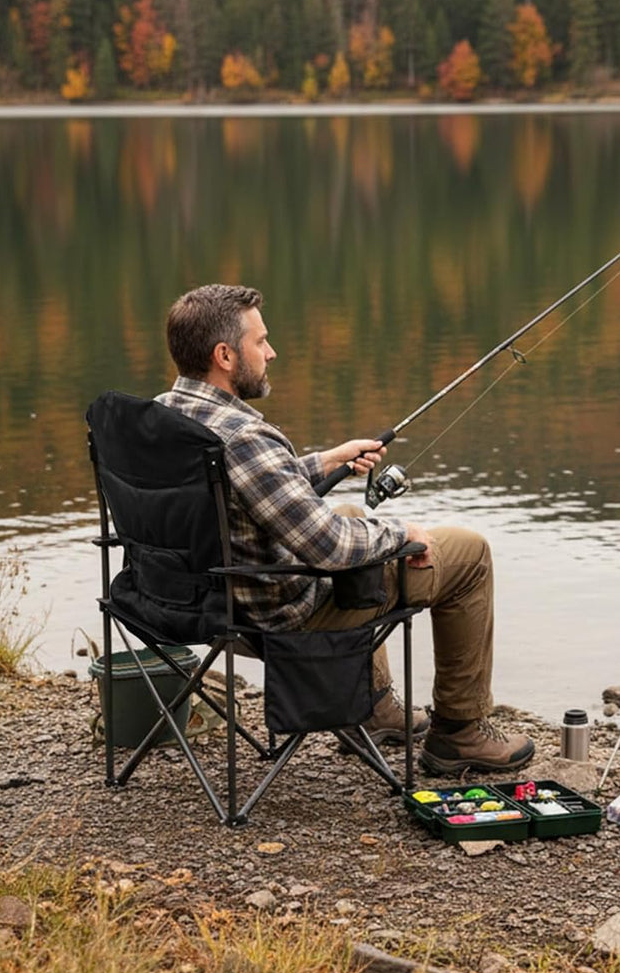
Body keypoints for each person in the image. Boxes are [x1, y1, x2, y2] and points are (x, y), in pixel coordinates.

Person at [156, 283, 534, 773]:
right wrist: (406, 535)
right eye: (260, 342)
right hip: (276, 616)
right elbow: (329, 549)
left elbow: (240, 490)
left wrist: (324, 461)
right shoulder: (246, 437)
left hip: (188, 603)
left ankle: (372, 708)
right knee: (467, 553)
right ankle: (459, 733)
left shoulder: (165, 414)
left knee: (354, 517)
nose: (271, 352)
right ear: (225, 355)